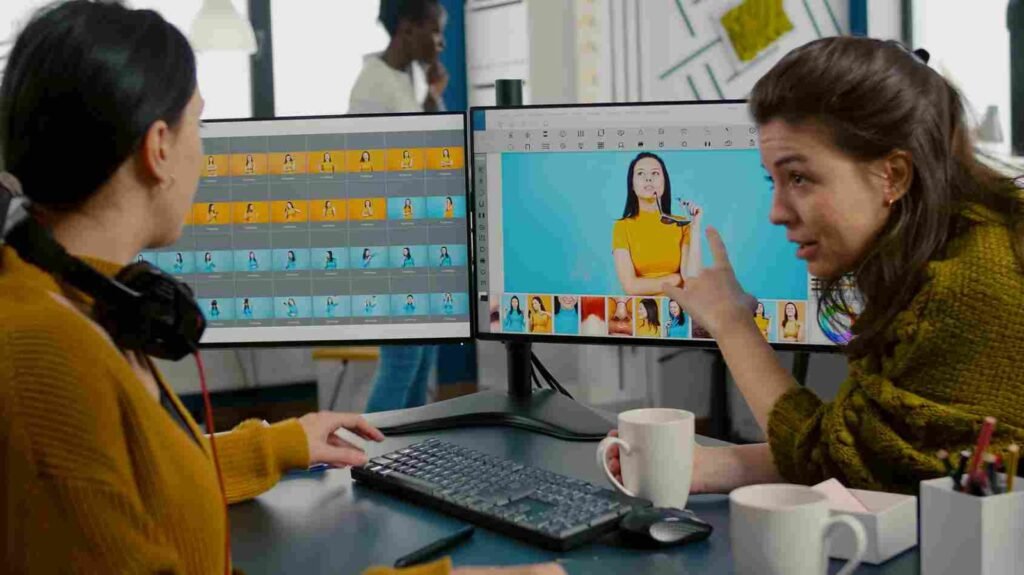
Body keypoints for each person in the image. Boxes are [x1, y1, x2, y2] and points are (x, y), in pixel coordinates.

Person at [0, 3, 395, 573]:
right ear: (158, 147)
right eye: (199, 125)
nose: (203, 152)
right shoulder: (49, 358)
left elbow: (135, 482)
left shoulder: (77, 297)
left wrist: (279, 444)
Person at [606, 36, 1024, 496]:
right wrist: (704, 467)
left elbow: (837, 461)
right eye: (774, 180)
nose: (777, 211)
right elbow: (868, 451)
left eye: (799, 178)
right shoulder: (937, 251)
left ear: (894, 175)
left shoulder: (974, 287)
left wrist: (730, 321)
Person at [612, 152, 703, 295]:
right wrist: (674, 279)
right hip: (640, 309)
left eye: (655, 173)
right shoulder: (622, 227)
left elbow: (692, 281)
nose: (648, 178)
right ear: (632, 186)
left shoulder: (682, 225)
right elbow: (630, 286)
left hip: (679, 308)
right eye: (641, 174)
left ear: (664, 183)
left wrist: (695, 228)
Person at [348, 0, 449, 115]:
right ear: (407, 29)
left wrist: (432, 96)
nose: (442, 43)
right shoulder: (372, 87)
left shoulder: (417, 75)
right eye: (435, 32)